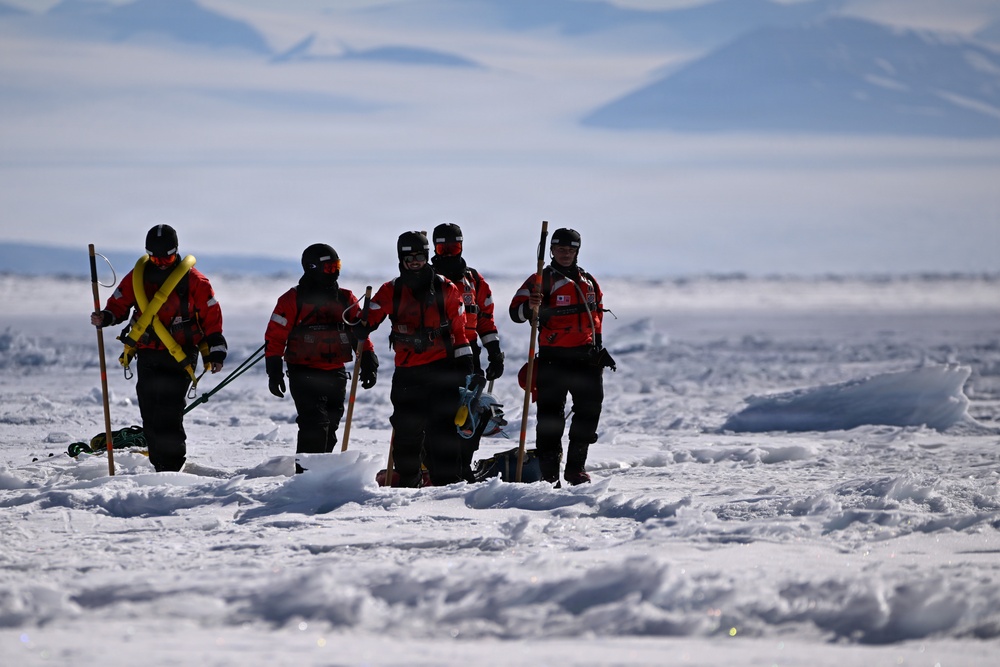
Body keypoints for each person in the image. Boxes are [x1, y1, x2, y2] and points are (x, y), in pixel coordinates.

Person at [90, 224, 227, 472]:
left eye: (168, 257)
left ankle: (172, 468)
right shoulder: (138, 277)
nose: (162, 262)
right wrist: (107, 316)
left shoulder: (195, 281)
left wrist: (217, 349)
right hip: (148, 352)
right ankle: (159, 466)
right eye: (155, 257)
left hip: (181, 354)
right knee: (150, 411)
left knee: (168, 411)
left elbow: (211, 316)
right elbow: (119, 303)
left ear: (177, 252)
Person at [355, 231, 474, 487]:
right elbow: (370, 317)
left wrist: (465, 362)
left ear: (427, 256)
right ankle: (408, 480)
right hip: (408, 370)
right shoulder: (391, 290)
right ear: (401, 260)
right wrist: (361, 325)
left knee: (443, 430)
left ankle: (447, 484)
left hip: (442, 368)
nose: (416, 262)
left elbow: (459, 329)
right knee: (406, 430)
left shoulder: (446, 288)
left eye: (420, 256)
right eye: (409, 258)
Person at [509, 227, 615, 486]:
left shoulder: (588, 281)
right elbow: (516, 313)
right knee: (550, 420)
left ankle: (575, 469)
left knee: (589, 414)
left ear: (577, 251)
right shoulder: (541, 279)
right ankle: (549, 475)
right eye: (561, 249)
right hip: (552, 359)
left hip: (585, 359)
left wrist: (598, 350)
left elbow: (596, 318)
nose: (566, 254)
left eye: (571, 249)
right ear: (552, 251)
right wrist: (530, 306)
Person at [264, 243, 378, 473]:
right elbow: (275, 336)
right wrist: (274, 369)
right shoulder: (292, 299)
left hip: (335, 372)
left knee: (331, 426)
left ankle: (322, 475)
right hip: (303, 372)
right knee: (314, 425)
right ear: (312, 268)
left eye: (337, 266)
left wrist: (368, 357)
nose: (334, 272)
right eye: (328, 268)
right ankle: (305, 478)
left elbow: (360, 331)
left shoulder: (346, 298)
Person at [430, 223, 504, 465]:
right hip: (435, 355)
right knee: (436, 414)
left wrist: (495, 353)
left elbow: (485, 319)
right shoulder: (426, 280)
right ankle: (431, 467)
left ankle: (462, 466)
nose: (449, 253)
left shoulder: (474, 281)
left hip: (469, 355)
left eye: (454, 247)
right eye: (443, 249)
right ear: (435, 249)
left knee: (470, 413)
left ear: (461, 247)